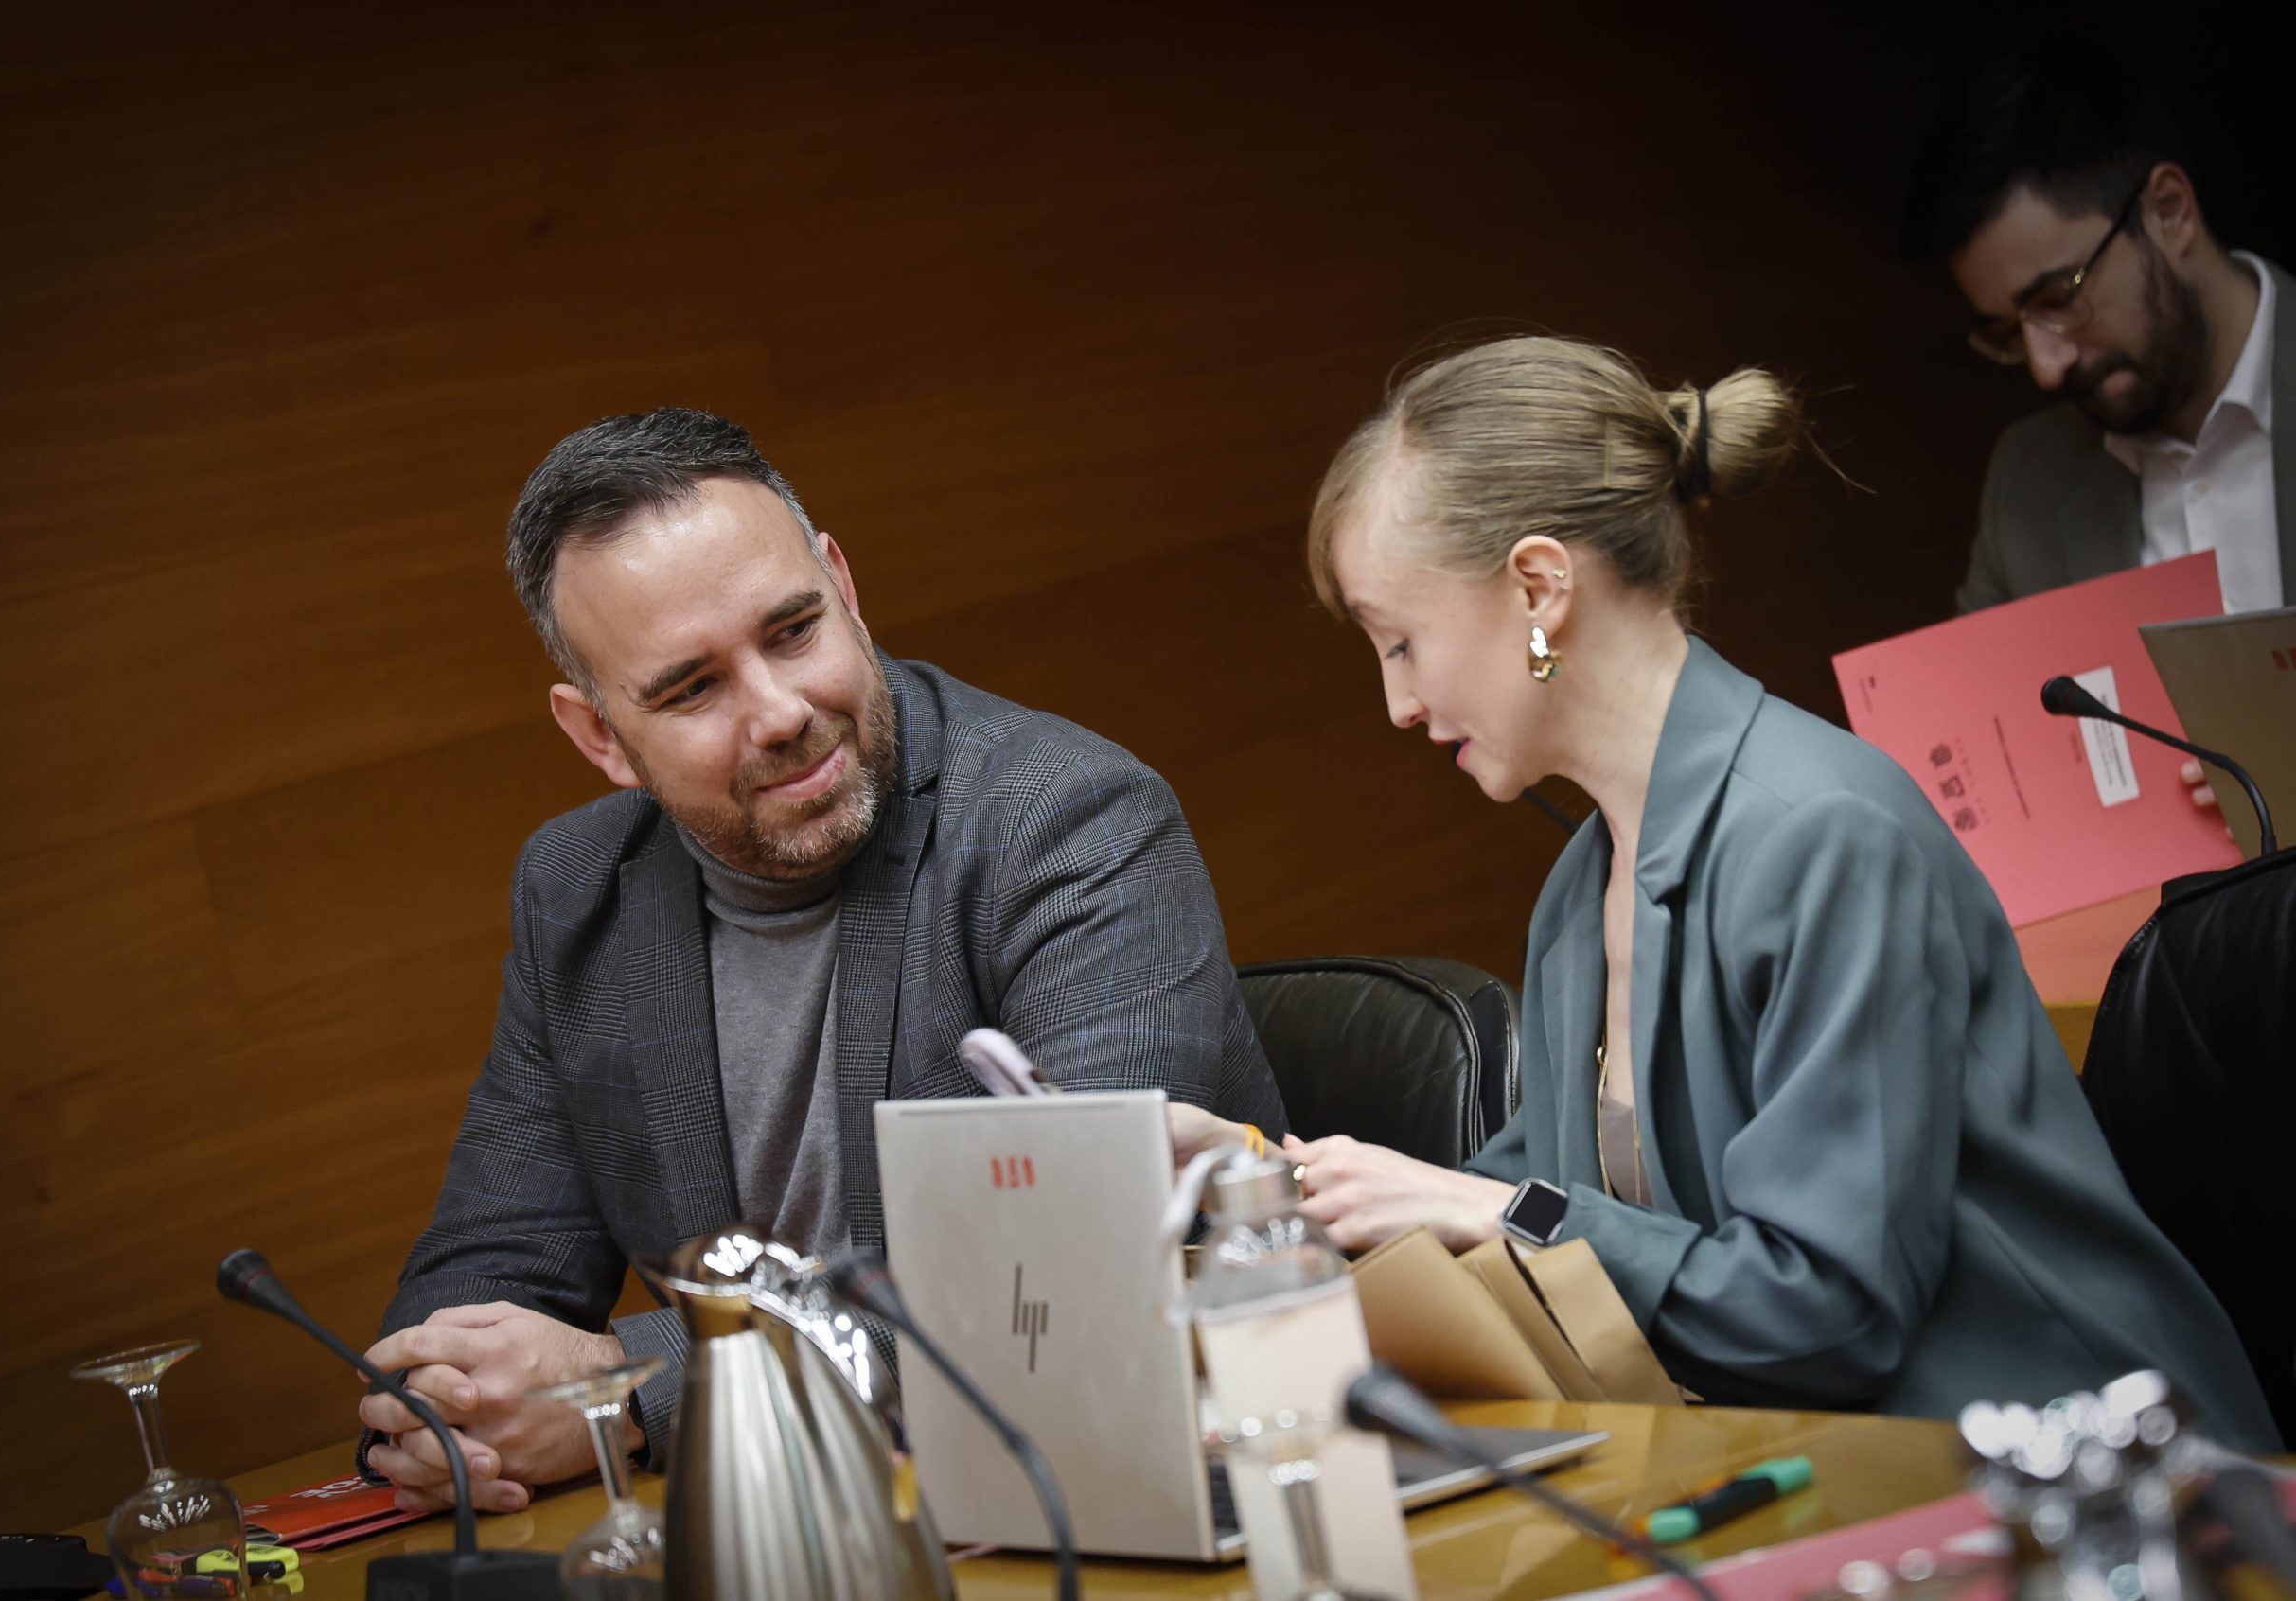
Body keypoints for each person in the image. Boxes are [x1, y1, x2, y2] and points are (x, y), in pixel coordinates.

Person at [1174, 335, 2278, 1446]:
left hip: (2089, 1474)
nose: (1396, 705)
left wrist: (1501, 1213)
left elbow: (1825, 1313)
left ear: (1539, 586)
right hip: (1842, 1466)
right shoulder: (1580, 884)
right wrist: (1266, 1180)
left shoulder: (1822, 835)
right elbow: (1519, 1214)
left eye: (1401, 643)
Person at [356, 407, 1287, 1511]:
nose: (781, 712)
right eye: (692, 689)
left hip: (1106, 1498)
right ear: (600, 735)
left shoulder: (1067, 821)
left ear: (842, 586)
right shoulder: (578, 890)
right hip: (775, 1524)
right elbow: (489, 1263)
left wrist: (631, 1386)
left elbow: (1064, 1277)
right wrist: (446, 1405)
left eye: (793, 631)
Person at [1905, 50, 2290, 618]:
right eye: (2008, 332)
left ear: (2168, 211)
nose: (2045, 367)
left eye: (2059, 298)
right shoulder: (2029, 478)